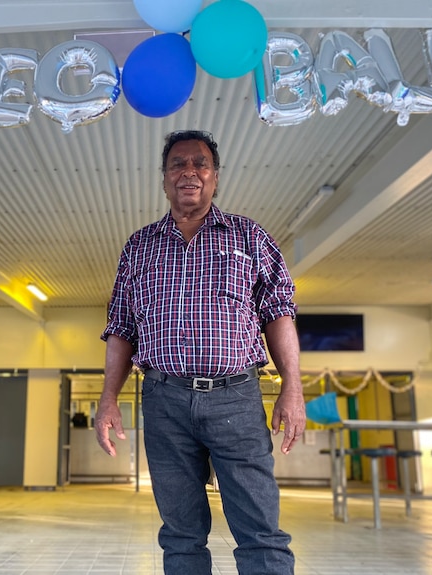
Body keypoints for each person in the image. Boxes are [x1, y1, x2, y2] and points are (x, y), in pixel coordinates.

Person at [94, 130, 305, 575]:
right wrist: (108, 399)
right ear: (165, 177)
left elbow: (279, 313)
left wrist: (293, 388)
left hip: (237, 399)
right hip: (164, 400)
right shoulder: (139, 246)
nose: (189, 171)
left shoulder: (249, 237)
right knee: (180, 535)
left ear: (214, 176)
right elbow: (121, 328)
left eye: (200, 163)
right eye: (178, 163)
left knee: (260, 531)